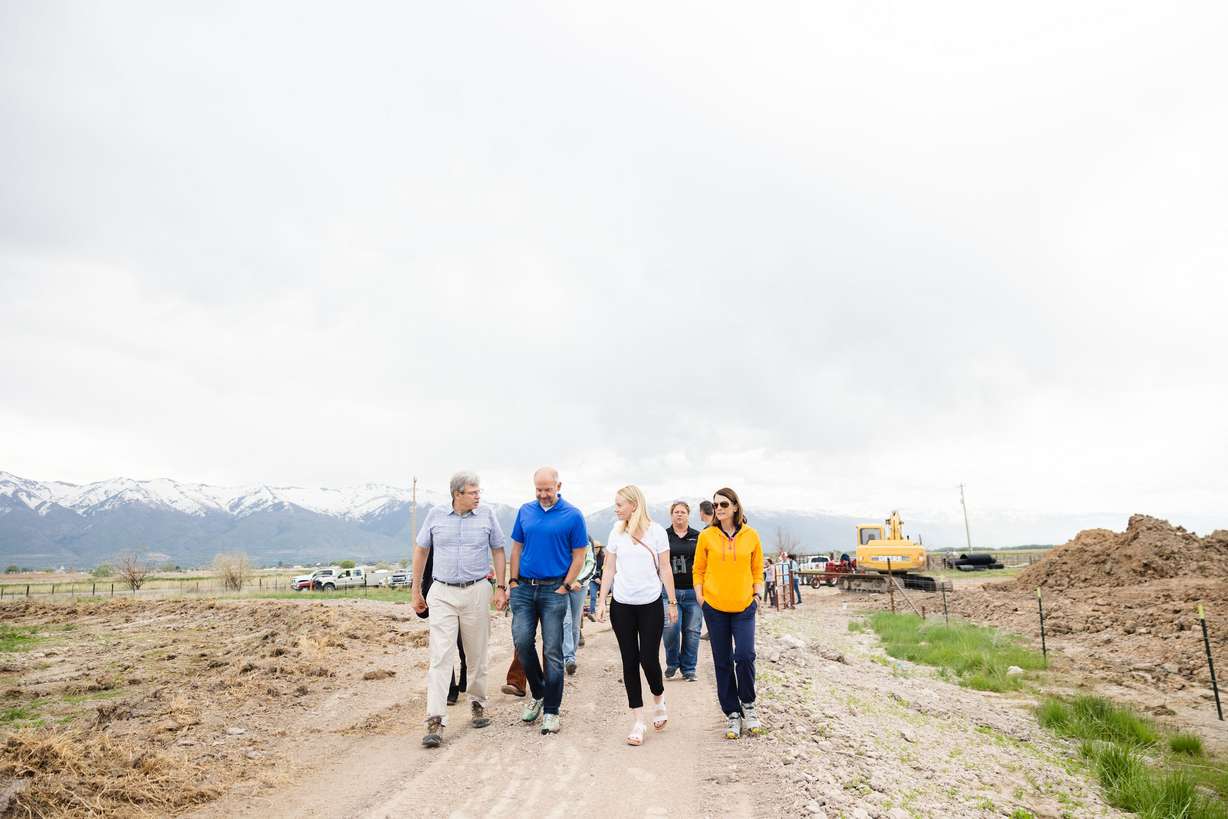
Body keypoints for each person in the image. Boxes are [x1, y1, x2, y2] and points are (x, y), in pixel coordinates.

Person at [411, 471, 507, 748]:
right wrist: (416, 589)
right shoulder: (435, 516)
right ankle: (435, 719)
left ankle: (477, 702)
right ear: (457, 494)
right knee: (440, 655)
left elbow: (499, 550)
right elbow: (421, 550)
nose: (478, 495)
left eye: (479, 491)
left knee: (476, 653)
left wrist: (501, 587)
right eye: (473, 492)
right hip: (442, 591)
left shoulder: (487, 515)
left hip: (477, 589)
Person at [507, 467, 589, 735]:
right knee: (521, 641)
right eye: (538, 490)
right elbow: (517, 548)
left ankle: (552, 711)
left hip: (554, 589)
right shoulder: (525, 511)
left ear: (558, 486)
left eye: (548, 490)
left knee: (553, 651)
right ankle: (540, 693)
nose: (543, 495)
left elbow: (579, 555)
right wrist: (513, 581)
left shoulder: (573, 515)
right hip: (523, 588)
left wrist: (565, 586)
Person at [596, 485, 677, 746]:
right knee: (629, 661)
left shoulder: (656, 533)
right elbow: (608, 569)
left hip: (650, 604)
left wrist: (672, 601)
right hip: (622, 605)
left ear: (634, 505)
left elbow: (665, 568)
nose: (616, 508)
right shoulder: (615, 532)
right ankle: (638, 721)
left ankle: (659, 698)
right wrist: (600, 601)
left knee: (648, 659)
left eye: (620, 504)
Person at [694, 487, 764, 740]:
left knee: (744, 656)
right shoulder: (707, 536)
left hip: (745, 607)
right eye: (715, 505)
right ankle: (732, 714)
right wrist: (701, 598)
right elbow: (698, 570)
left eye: (724, 504)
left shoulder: (751, 535)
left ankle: (749, 705)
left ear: (735, 506)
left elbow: (758, 569)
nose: (719, 508)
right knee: (722, 661)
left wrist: (757, 595)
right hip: (714, 608)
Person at [663, 500, 701, 681]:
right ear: (671, 515)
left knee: (692, 631)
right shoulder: (664, 536)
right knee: (671, 628)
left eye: (682, 512)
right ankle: (672, 663)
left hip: (693, 592)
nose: (679, 514)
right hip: (670, 592)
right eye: (676, 512)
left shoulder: (698, 536)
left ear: (688, 515)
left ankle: (689, 668)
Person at [562, 537, 596, 674]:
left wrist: (580, 581)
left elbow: (591, 564)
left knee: (575, 624)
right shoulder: (561, 535)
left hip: (580, 587)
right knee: (566, 621)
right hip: (562, 585)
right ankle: (569, 658)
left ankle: (571, 656)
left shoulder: (586, 539)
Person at [585, 541, 605, 620]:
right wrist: (594, 578)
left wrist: (602, 579)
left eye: (598, 548)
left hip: (602, 580)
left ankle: (602, 613)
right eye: (595, 548)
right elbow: (588, 569)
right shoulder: (590, 556)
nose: (596, 549)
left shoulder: (603, 557)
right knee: (593, 596)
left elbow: (605, 569)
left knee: (602, 597)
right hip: (593, 580)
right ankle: (592, 612)